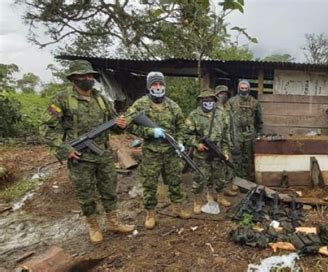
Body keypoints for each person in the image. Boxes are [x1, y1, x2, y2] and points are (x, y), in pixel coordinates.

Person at [40, 60, 134, 243]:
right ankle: (93, 225)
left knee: (109, 189)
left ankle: (113, 222)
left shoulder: (101, 99)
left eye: (91, 75)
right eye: (84, 76)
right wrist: (63, 149)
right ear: (74, 78)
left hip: (103, 154)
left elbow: (113, 125)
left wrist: (121, 125)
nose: (88, 79)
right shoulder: (61, 99)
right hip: (79, 157)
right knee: (85, 193)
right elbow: (46, 128)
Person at [126, 71, 190, 230]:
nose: (158, 86)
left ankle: (177, 207)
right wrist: (149, 132)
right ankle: (150, 213)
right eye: (154, 84)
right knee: (149, 184)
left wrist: (180, 142)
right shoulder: (140, 104)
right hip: (151, 152)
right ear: (149, 86)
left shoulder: (173, 105)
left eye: (160, 84)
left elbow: (182, 127)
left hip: (170, 152)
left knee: (175, 180)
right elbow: (128, 124)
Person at [184, 89, 232, 214]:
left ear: (215, 101)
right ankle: (197, 201)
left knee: (220, 177)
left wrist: (225, 151)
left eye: (211, 100)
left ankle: (220, 196)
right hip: (201, 154)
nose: (208, 103)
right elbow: (185, 134)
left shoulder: (221, 115)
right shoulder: (194, 115)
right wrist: (196, 144)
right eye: (205, 100)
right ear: (200, 101)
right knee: (199, 178)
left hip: (218, 151)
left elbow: (226, 136)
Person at [228, 80, 263, 181]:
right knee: (237, 157)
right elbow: (226, 119)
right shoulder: (231, 102)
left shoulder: (254, 102)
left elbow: (259, 120)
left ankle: (247, 180)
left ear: (249, 88)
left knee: (248, 158)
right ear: (239, 88)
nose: (243, 90)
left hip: (249, 134)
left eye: (245, 88)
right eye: (242, 88)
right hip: (236, 134)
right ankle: (237, 179)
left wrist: (258, 134)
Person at [214, 85, 239, 196]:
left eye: (225, 93)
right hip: (216, 142)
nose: (223, 96)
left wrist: (234, 140)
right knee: (217, 168)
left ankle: (226, 188)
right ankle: (216, 192)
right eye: (221, 93)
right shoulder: (212, 108)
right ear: (216, 95)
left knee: (228, 165)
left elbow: (232, 126)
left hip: (227, 142)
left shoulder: (228, 108)